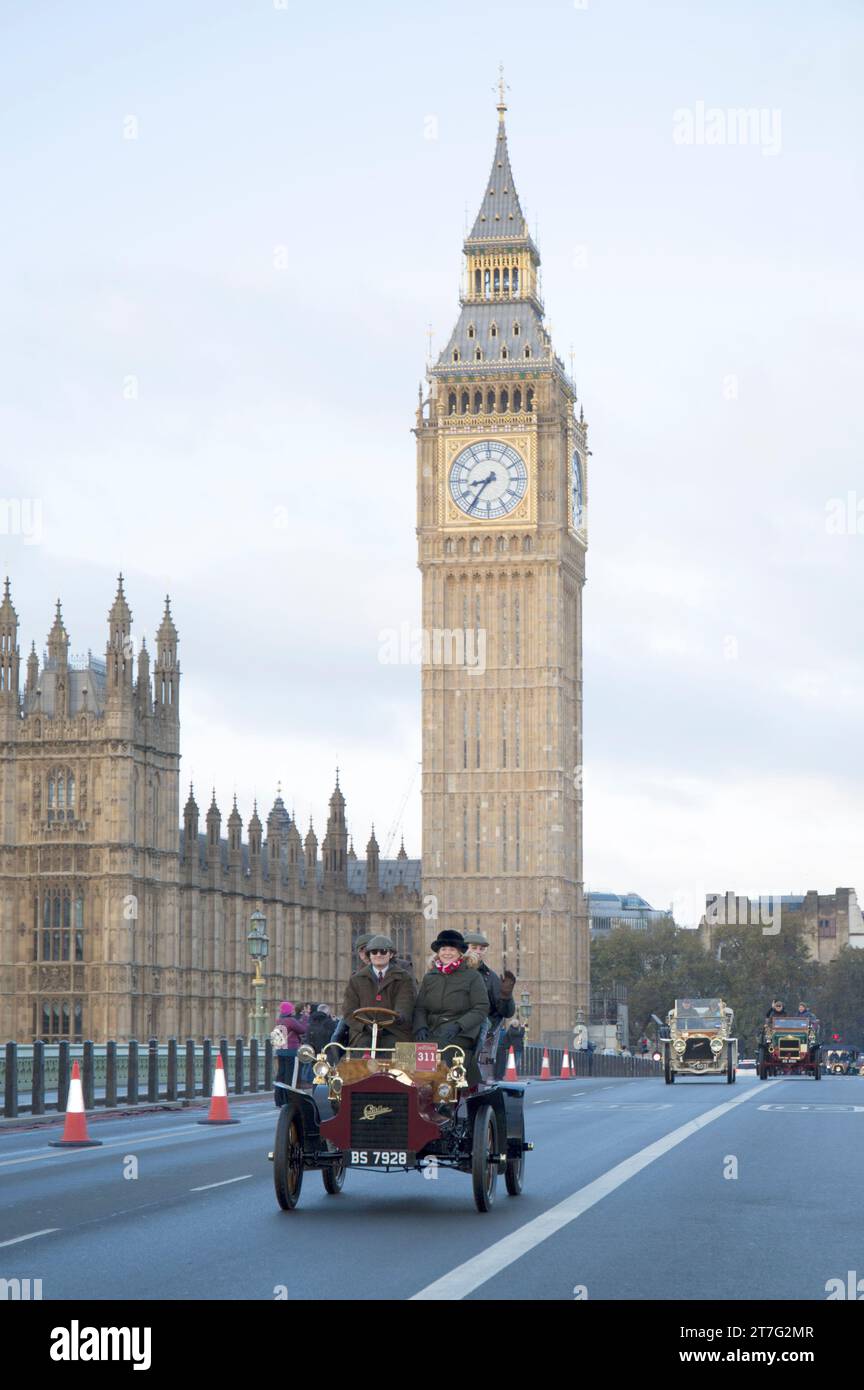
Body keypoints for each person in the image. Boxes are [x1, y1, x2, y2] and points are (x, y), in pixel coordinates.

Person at [413, 930, 489, 1087]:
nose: (447, 953)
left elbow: (481, 1008)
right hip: (432, 1030)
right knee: (409, 1053)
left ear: (460, 953)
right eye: (443, 949)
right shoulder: (430, 977)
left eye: (451, 949)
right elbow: (420, 1007)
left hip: (460, 1032)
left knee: (445, 1052)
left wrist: (458, 1026)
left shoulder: (472, 976)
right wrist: (420, 1027)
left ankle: (445, 1096)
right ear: (438, 952)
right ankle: (418, 1097)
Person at [340, 935, 417, 1051]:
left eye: (383, 951)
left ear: (391, 955)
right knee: (358, 1055)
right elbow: (349, 1010)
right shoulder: (356, 979)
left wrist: (398, 1018)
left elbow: (405, 1003)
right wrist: (364, 1026)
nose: (378, 955)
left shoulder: (404, 978)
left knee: (395, 1055)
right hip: (363, 1032)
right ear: (369, 956)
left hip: (394, 1031)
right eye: (374, 952)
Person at [462, 931, 516, 1074]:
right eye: (474, 947)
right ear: (463, 948)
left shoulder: (490, 977)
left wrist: (506, 997)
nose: (478, 952)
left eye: (482, 949)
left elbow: (506, 1012)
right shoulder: (450, 970)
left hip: (477, 1030)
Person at [271, 1001, 309, 1105]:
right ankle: (289, 1100)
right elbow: (303, 1030)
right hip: (291, 1051)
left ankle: (279, 1100)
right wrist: (305, 1018)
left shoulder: (279, 1020)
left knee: (281, 1075)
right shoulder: (290, 1021)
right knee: (290, 1076)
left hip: (281, 1051)